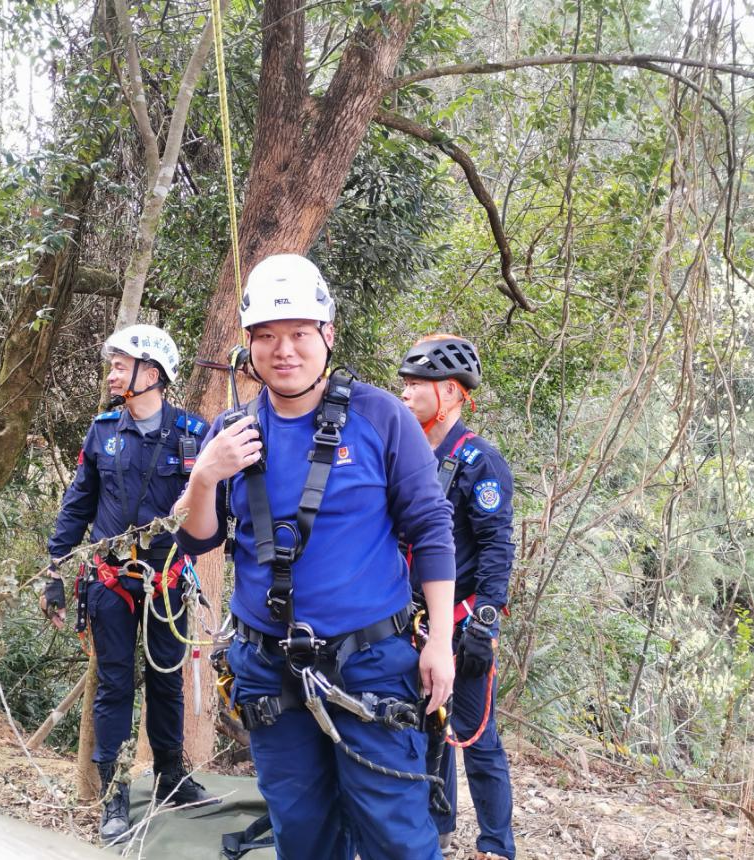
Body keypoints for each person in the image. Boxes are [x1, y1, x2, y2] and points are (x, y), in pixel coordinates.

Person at [174, 254, 457, 860]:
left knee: (397, 837)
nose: (285, 350)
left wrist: (439, 643)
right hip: (268, 668)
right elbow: (198, 540)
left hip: (371, 662)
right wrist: (204, 475)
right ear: (248, 346)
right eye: (268, 337)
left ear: (327, 335)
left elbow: (431, 527)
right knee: (300, 835)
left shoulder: (380, 416)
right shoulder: (232, 431)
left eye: (300, 333)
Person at [40, 324, 213, 845]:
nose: (112, 374)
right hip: (110, 580)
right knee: (115, 683)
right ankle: (116, 793)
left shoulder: (193, 434)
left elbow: (212, 508)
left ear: (151, 373)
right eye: (112, 364)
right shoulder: (103, 432)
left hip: (166, 580)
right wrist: (54, 572)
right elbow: (78, 505)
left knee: (166, 681)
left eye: (121, 365)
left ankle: (170, 775)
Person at [399, 334, 517, 860]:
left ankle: (496, 845)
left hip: (463, 619)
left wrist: (484, 626)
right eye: (403, 384)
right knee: (427, 729)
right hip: (408, 620)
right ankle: (436, 830)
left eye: (415, 385)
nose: (405, 394)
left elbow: (496, 546)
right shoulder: (405, 454)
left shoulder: (478, 461)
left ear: (448, 392)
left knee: (475, 735)